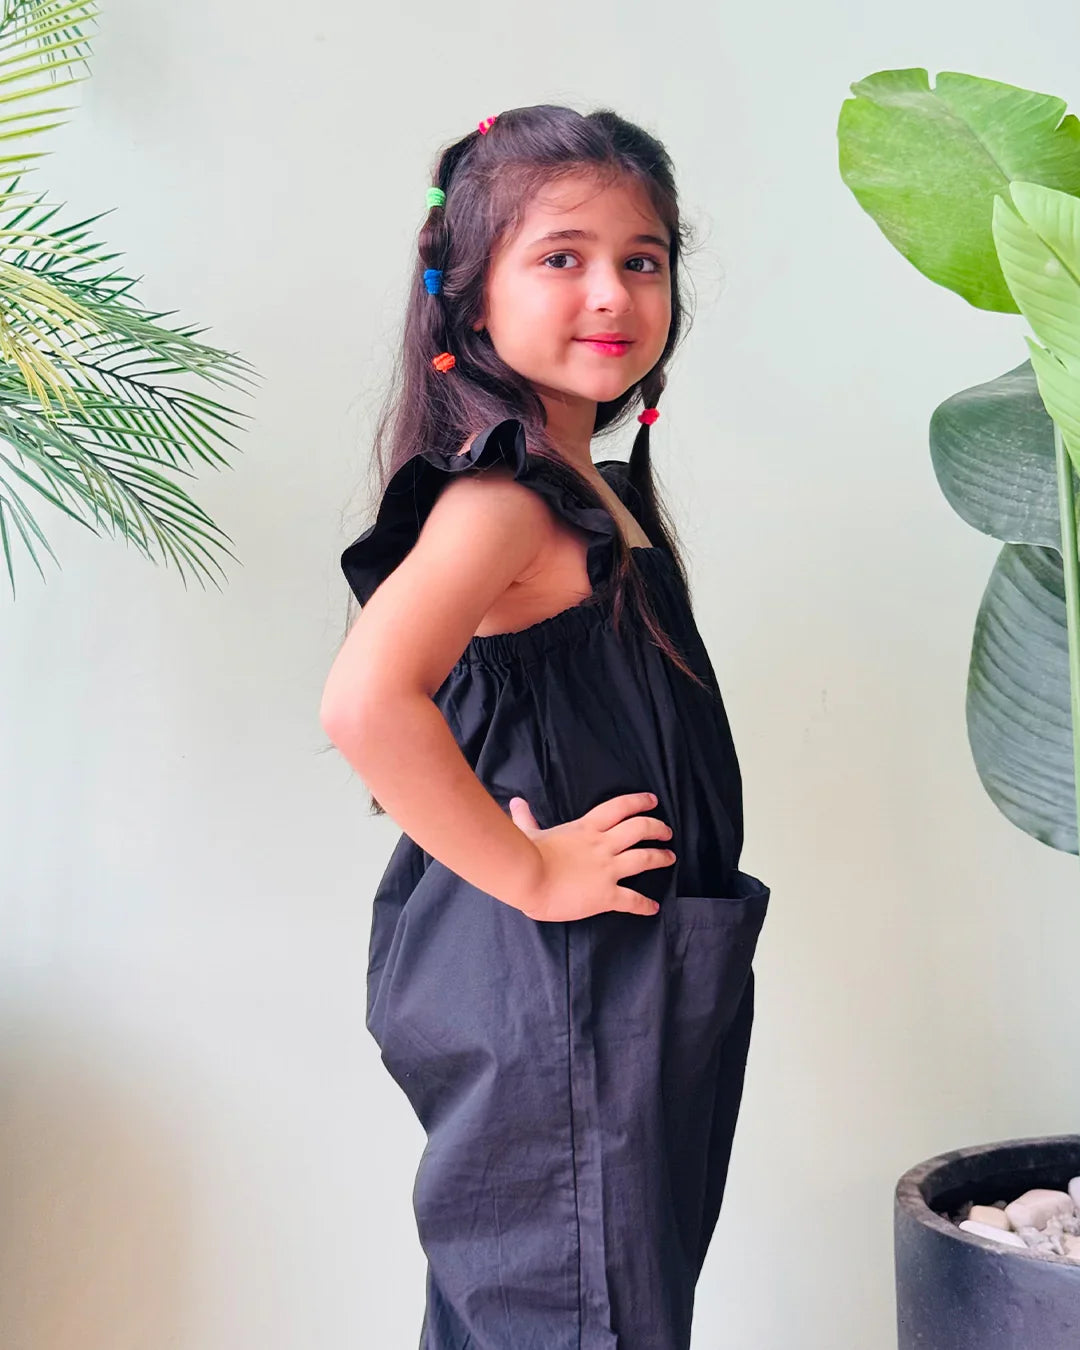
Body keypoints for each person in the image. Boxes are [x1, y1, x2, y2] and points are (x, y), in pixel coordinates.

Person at [320, 104, 771, 1350]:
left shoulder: (591, 493)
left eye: (643, 257)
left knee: (586, 1307)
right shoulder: (503, 501)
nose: (612, 291)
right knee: (572, 1316)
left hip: (618, 993)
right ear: (470, 302)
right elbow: (365, 701)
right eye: (560, 257)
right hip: (556, 999)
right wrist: (530, 867)